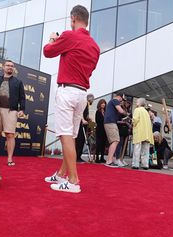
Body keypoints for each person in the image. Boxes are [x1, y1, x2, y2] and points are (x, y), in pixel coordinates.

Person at [43, 5, 100, 193]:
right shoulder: (95, 46)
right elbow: (89, 70)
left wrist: (52, 39)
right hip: (82, 94)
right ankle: (61, 174)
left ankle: (74, 180)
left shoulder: (69, 35)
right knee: (71, 136)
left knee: (65, 135)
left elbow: (48, 51)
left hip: (67, 91)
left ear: (74, 18)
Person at [0, 60, 25, 166]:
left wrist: (22, 109)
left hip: (11, 111)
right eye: (8, 65)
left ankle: (9, 159)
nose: (10, 67)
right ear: (3, 67)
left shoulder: (18, 82)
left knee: (10, 135)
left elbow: (22, 98)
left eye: (12, 66)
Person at [104, 93, 129, 167]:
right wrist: (127, 114)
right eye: (122, 99)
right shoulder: (115, 100)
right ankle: (109, 161)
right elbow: (121, 111)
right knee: (115, 140)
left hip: (110, 122)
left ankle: (109, 160)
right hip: (111, 123)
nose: (122, 101)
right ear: (119, 97)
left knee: (114, 141)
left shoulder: (111, 102)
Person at [131, 98, 154, 170]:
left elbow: (135, 120)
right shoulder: (146, 112)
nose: (136, 103)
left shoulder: (137, 110)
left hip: (139, 132)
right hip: (147, 133)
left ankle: (135, 164)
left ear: (139, 103)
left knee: (137, 149)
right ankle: (145, 164)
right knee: (145, 150)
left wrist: (132, 123)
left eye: (137, 101)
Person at [75, 93, 94, 163]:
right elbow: (80, 112)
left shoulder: (87, 105)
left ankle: (78, 156)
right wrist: (83, 120)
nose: (92, 101)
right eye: (92, 100)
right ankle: (77, 157)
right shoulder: (84, 103)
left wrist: (88, 118)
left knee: (82, 140)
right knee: (80, 140)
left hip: (84, 123)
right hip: (80, 124)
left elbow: (85, 114)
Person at [115, 100, 132, 167]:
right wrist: (125, 122)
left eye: (129, 103)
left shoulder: (128, 111)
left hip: (126, 129)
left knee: (125, 145)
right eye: (127, 103)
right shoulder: (120, 110)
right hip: (120, 129)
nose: (127, 104)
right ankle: (117, 158)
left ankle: (122, 158)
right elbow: (117, 120)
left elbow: (130, 119)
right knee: (120, 144)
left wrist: (129, 125)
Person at [95, 99, 107, 163]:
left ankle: (102, 157)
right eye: (102, 103)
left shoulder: (106, 112)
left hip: (105, 130)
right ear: (100, 104)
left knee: (103, 144)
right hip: (99, 129)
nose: (103, 104)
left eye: (104, 103)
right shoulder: (98, 111)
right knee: (98, 144)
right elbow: (97, 121)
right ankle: (97, 158)